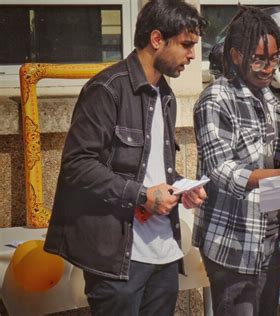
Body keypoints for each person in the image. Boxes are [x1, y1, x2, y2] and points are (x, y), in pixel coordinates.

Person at [44, 1, 207, 315]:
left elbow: (151, 167)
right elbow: (77, 165)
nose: (192, 55)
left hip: (165, 255)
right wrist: (143, 196)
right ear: (157, 39)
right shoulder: (107, 89)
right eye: (186, 45)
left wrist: (179, 190)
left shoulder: (166, 95)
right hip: (118, 260)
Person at [192, 6, 280, 316]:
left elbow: (270, 159)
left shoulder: (269, 100)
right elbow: (221, 170)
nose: (268, 68)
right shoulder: (215, 98)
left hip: (269, 241)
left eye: (274, 59)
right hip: (232, 243)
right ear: (235, 55)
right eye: (259, 59)